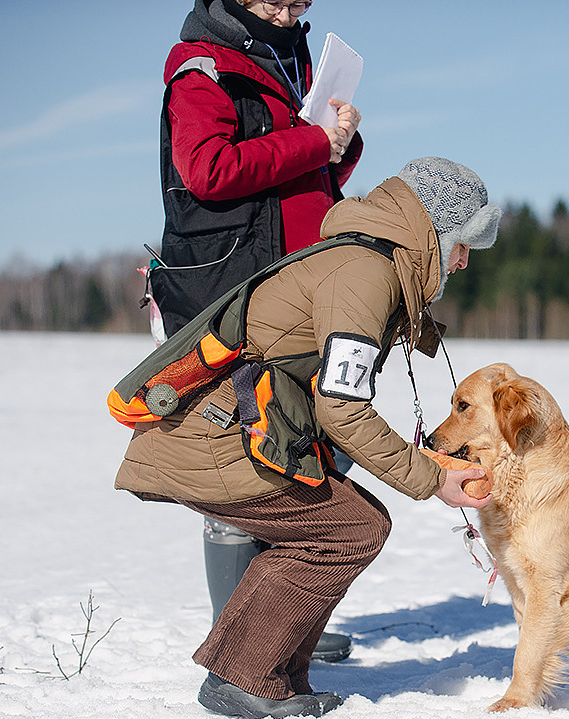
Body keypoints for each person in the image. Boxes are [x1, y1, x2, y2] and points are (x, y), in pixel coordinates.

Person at [116, 157, 502, 719]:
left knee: (347, 521)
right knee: (348, 528)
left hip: (232, 429)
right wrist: (432, 478)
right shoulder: (364, 275)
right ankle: (244, 676)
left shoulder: (367, 264)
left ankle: (275, 674)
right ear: (431, 230)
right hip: (212, 436)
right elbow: (343, 406)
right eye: (462, 243)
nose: (465, 262)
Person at [153, 0, 363, 663]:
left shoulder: (290, 56)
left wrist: (339, 145)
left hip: (297, 288)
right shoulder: (203, 71)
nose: (288, 8)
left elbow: (294, 177)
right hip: (233, 298)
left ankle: (286, 614)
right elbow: (208, 170)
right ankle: (243, 646)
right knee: (241, 467)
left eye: (299, 0)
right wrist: (311, 142)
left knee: (315, 445)